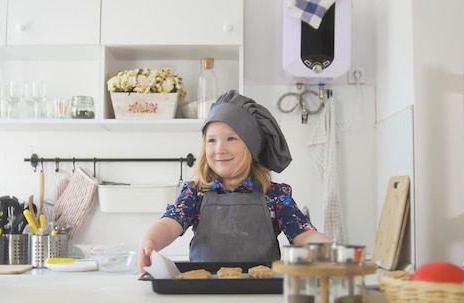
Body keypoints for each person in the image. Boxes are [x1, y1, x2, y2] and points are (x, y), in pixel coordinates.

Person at [138, 90, 332, 273]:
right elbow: (169, 225)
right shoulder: (195, 193)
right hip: (206, 291)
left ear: (251, 146)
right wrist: (150, 242)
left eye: (231, 138)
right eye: (211, 140)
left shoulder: (274, 195)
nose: (219, 149)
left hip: (261, 291)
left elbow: (303, 234)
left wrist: (328, 249)